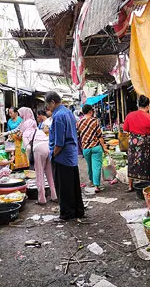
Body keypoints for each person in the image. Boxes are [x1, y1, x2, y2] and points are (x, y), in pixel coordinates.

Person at [45, 91, 84, 220]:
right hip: (71, 155)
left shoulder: (58, 116)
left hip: (62, 156)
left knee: (63, 187)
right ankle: (77, 210)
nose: (47, 108)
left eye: (48, 105)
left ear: (52, 102)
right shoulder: (68, 113)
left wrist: (53, 155)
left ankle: (67, 213)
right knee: (73, 185)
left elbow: (59, 143)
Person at [123, 95, 150, 192]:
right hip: (145, 145)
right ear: (148, 106)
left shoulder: (129, 115)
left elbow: (125, 129)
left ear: (138, 105)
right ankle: (146, 186)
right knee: (145, 162)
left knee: (132, 162)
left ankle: (130, 185)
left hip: (133, 143)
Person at [77, 104, 109, 193]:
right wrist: (104, 147)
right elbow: (100, 136)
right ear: (90, 111)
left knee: (90, 166)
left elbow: (77, 135)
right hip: (96, 147)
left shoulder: (79, 123)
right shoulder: (95, 121)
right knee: (96, 167)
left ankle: (91, 181)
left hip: (86, 148)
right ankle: (96, 186)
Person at [32, 129, 57, 205]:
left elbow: (28, 148)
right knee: (50, 175)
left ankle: (42, 199)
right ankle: (54, 196)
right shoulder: (39, 130)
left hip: (38, 149)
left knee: (39, 175)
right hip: (48, 147)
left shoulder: (26, 131)